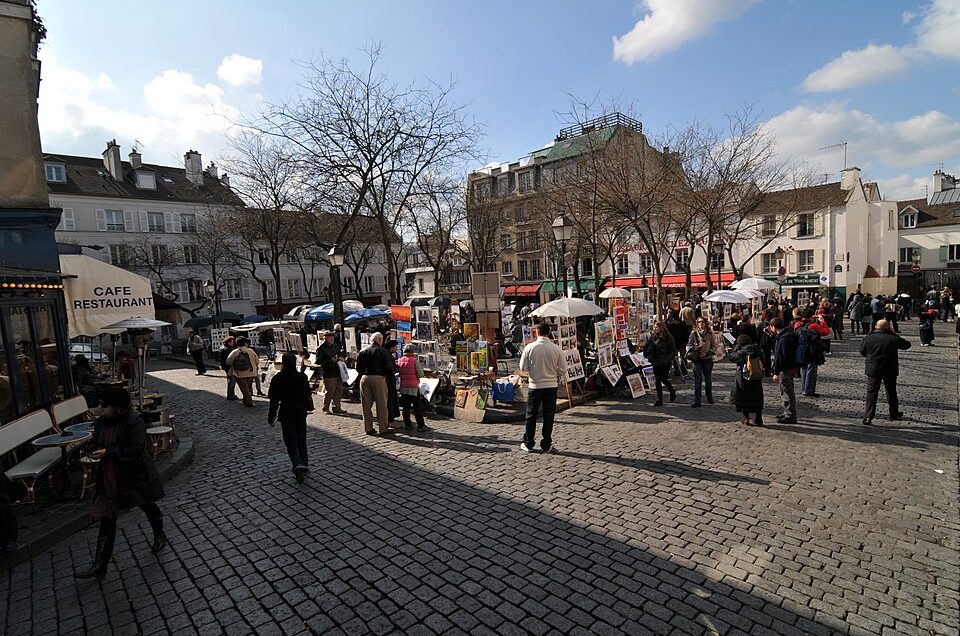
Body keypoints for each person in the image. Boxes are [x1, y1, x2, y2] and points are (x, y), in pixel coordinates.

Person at [75, 387, 165, 580]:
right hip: (110, 477)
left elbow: (135, 449)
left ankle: (159, 534)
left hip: (134, 475)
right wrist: (93, 449)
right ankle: (100, 564)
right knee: (107, 518)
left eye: (104, 405)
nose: (101, 408)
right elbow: (96, 441)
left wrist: (108, 453)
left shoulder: (135, 422)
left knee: (147, 505)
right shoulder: (101, 423)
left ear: (116, 407)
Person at [518, 322, 566, 453]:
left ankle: (528, 442)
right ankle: (546, 443)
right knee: (548, 415)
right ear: (549, 332)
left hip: (535, 385)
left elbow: (523, 368)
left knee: (531, 415)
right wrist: (552, 373)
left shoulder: (530, 347)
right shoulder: (556, 348)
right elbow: (563, 370)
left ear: (537, 332)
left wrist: (534, 371)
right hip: (551, 385)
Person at [267, 353, 313, 483]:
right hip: (300, 411)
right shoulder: (302, 377)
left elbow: (274, 400)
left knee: (290, 440)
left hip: (286, 412)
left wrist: (271, 416)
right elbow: (307, 394)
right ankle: (304, 462)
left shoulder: (278, 378)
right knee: (301, 437)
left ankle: (297, 463)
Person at [859, 319, 910, 425]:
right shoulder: (892, 338)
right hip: (889, 368)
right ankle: (894, 413)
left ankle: (868, 416)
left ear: (876, 327)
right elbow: (907, 345)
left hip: (873, 368)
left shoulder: (869, 338)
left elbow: (862, 351)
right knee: (891, 391)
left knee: (871, 393)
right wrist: (893, 333)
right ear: (888, 327)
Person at [356, 332, 393, 436]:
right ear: (380, 340)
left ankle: (368, 428)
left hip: (365, 378)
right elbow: (389, 367)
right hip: (378, 378)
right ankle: (383, 428)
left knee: (366, 405)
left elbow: (358, 367)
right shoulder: (382, 351)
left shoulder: (363, 351)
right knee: (381, 404)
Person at [728, 335, 765, 427]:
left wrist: (736, 347)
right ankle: (758, 417)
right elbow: (764, 360)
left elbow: (732, 357)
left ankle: (746, 417)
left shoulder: (742, 351)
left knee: (743, 395)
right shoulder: (757, 349)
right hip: (756, 376)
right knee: (757, 395)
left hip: (743, 376)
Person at [769, 318, 799, 424]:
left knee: (786, 391)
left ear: (773, 327)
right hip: (791, 366)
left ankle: (790, 415)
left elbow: (779, 357)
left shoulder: (783, 339)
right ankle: (788, 412)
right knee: (787, 390)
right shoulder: (788, 334)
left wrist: (776, 372)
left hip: (786, 368)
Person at [794, 309, 829, 397]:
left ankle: (804, 389)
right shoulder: (813, 325)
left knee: (804, 370)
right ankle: (809, 390)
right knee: (811, 370)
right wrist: (822, 322)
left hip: (801, 349)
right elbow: (825, 332)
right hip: (812, 350)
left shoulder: (798, 324)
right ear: (812, 316)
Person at [643, 322, 677, 407]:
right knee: (657, 380)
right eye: (654, 328)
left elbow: (673, 350)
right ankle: (659, 399)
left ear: (661, 328)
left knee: (664, 379)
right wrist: (648, 355)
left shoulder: (668, 337)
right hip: (655, 361)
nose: (655, 329)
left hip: (665, 361)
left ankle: (671, 391)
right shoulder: (653, 337)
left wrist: (667, 359)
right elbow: (646, 347)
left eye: (657, 328)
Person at [397, 344, 427, 432]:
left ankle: (407, 424)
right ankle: (421, 425)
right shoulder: (414, 361)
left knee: (406, 407)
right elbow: (420, 374)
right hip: (413, 387)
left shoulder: (400, 360)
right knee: (417, 407)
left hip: (404, 387)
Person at [687, 317, 715, 407]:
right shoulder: (693, 333)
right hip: (697, 359)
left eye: (703, 322)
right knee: (697, 380)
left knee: (708, 379)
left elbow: (714, 347)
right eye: (699, 322)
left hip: (707, 359)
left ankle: (709, 397)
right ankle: (697, 400)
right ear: (697, 324)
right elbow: (688, 345)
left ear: (706, 323)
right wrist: (696, 348)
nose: (701, 324)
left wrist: (707, 354)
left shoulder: (710, 333)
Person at [316, 331, 345, 413]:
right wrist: (330, 361)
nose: (332, 339)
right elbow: (318, 361)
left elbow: (339, 355)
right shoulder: (321, 348)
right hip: (328, 372)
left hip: (337, 371)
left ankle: (337, 407)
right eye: (330, 337)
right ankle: (325, 408)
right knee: (330, 391)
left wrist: (341, 359)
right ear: (326, 338)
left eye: (333, 337)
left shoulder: (335, 346)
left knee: (338, 391)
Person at [226, 337, 260, 407]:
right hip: (251, 372)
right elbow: (257, 361)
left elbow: (228, 362)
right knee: (248, 387)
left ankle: (249, 402)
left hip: (240, 373)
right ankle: (246, 400)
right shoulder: (251, 351)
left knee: (244, 388)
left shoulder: (236, 351)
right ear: (245, 343)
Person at [666, 310, 691, 379]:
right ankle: (684, 370)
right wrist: (686, 341)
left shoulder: (670, 323)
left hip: (674, 343)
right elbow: (686, 333)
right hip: (682, 343)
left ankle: (677, 370)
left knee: (675, 357)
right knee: (683, 357)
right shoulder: (682, 323)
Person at [384, 339, 401, 426]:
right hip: (389, 381)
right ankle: (390, 420)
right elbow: (390, 369)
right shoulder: (388, 356)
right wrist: (397, 368)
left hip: (388, 380)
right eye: (395, 347)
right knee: (390, 400)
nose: (396, 348)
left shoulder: (387, 355)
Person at [219, 336, 239, 401]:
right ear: (228, 342)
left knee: (230, 380)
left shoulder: (224, 348)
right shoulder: (228, 349)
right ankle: (230, 395)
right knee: (232, 381)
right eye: (232, 342)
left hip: (226, 367)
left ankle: (231, 394)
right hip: (229, 367)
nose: (233, 343)